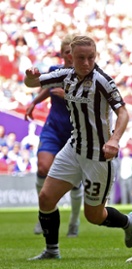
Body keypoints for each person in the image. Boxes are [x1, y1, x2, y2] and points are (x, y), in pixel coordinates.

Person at [24, 35, 132, 260]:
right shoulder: (64, 74)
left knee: (94, 216)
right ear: (70, 57)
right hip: (74, 148)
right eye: (81, 58)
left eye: (90, 57)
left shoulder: (103, 80)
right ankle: (51, 250)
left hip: (98, 155)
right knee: (46, 198)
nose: (86, 63)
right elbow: (32, 83)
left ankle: (128, 221)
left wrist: (114, 139)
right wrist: (30, 77)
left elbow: (123, 112)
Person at [24, 35, 83, 237]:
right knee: (42, 167)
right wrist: (35, 102)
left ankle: (74, 221)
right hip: (53, 128)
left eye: (72, 51)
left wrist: (68, 96)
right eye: (66, 51)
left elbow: (92, 102)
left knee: (74, 181)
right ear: (62, 54)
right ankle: (44, 214)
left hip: (76, 131)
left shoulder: (86, 75)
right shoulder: (54, 71)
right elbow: (48, 89)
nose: (69, 55)